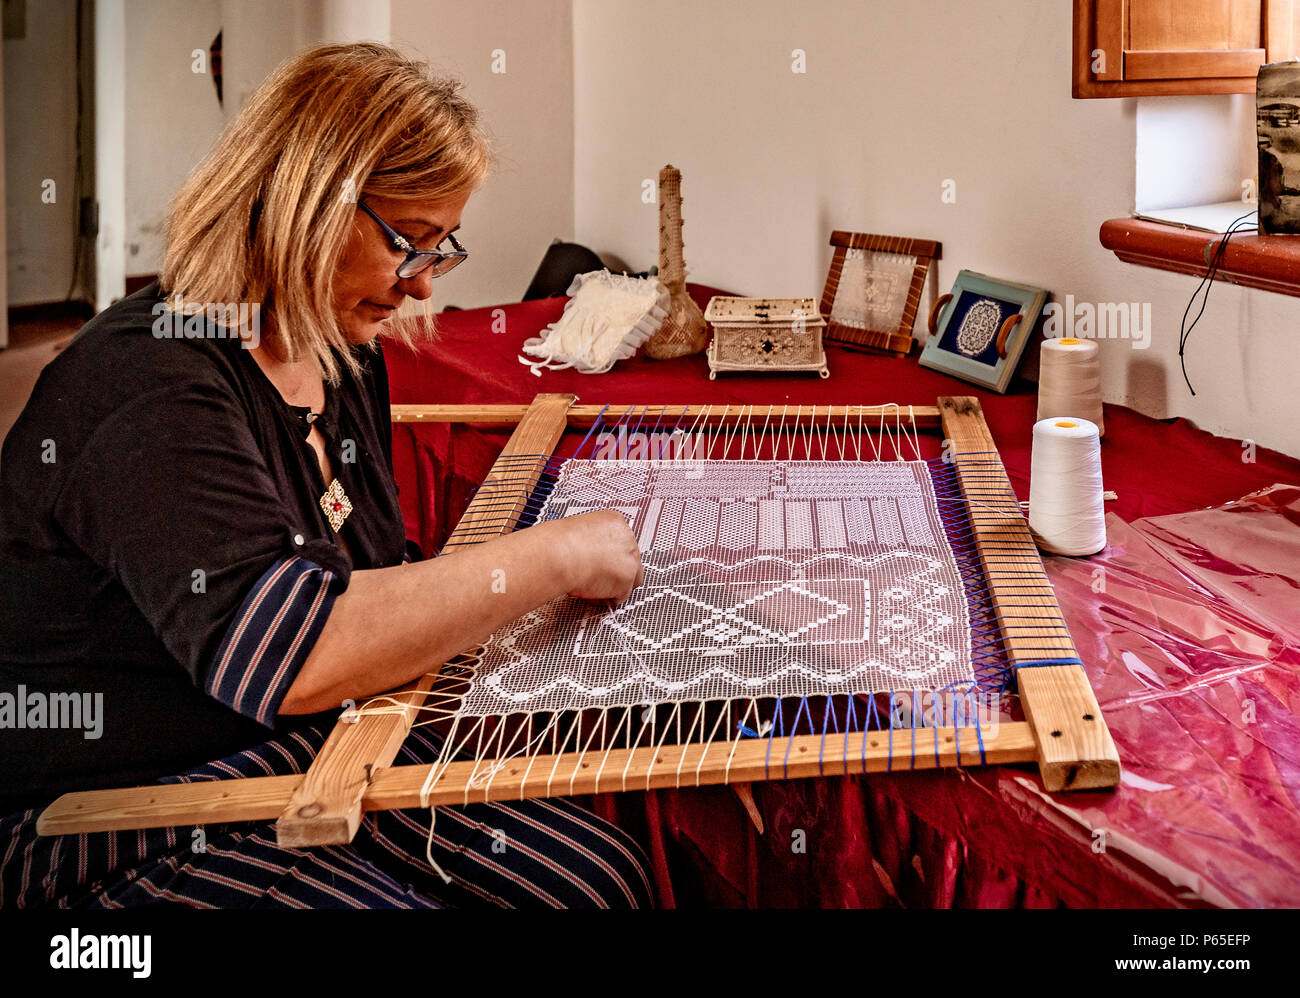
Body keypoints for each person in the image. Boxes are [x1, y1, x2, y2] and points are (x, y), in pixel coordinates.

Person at [0, 42, 651, 909]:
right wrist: (554, 559)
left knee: (597, 880)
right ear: (301, 204)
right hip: (113, 816)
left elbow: (372, 574)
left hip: (306, 747)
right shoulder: (150, 381)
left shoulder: (337, 352)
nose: (421, 288)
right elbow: (294, 654)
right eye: (406, 244)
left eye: (439, 247)